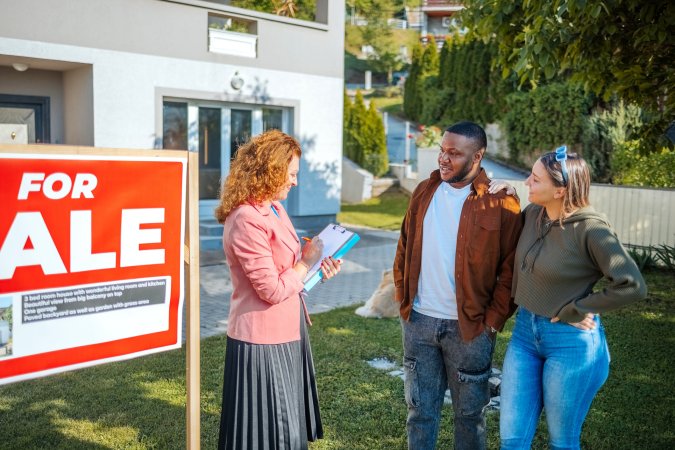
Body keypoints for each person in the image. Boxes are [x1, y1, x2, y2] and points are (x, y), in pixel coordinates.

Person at [492, 148, 647, 449]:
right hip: (525, 334)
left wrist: (579, 308)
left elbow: (633, 285)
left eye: (535, 180)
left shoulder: (592, 229)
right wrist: (509, 196)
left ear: (561, 190)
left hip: (570, 344)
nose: (527, 183)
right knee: (512, 441)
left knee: (562, 442)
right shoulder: (533, 214)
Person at [393, 121, 523, 450]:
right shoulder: (424, 191)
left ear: (477, 156)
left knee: (469, 417)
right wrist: (403, 302)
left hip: (471, 330)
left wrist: (493, 322)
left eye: (454, 153)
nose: (444, 158)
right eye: (442, 150)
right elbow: (404, 248)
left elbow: (511, 272)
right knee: (419, 413)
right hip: (419, 322)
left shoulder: (501, 203)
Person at [214, 129, 342, 450]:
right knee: (273, 433)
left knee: (287, 429)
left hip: (288, 330)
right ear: (271, 169)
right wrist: (306, 261)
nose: (295, 182)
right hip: (261, 338)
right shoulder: (246, 218)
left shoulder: (273, 207)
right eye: (292, 174)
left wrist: (317, 268)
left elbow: (289, 271)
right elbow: (271, 289)